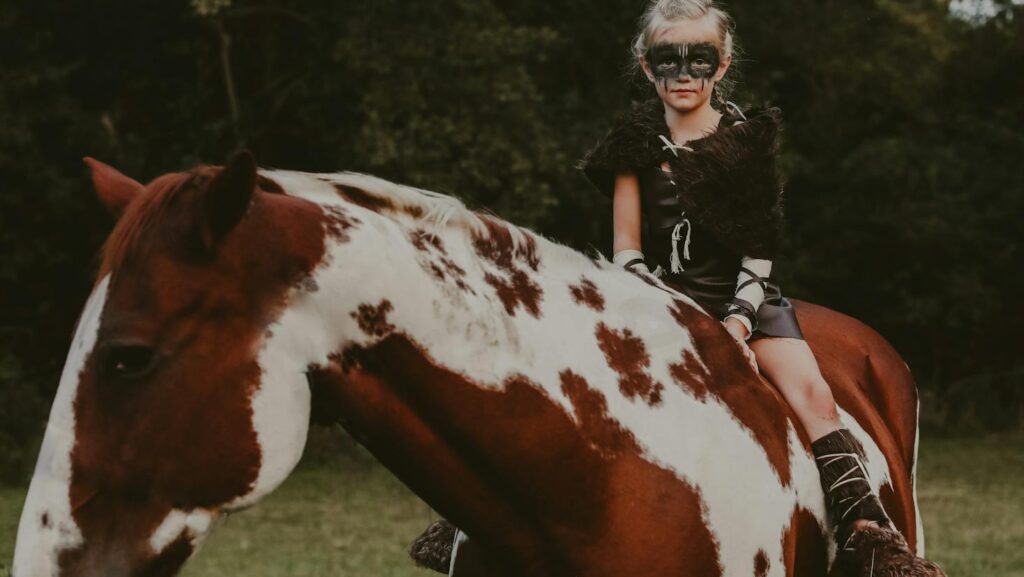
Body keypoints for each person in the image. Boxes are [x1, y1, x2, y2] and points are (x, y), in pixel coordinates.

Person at [578, 1, 943, 575]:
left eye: (699, 59)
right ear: (646, 68)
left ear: (722, 66)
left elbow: (759, 250)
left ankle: (868, 531)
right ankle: (477, 515)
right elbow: (626, 249)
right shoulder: (633, 148)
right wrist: (659, 303)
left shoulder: (745, 143)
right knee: (573, 370)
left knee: (817, 399)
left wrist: (737, 322)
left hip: (745, 302)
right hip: (660, 301)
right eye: (666, 59)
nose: (682, 74)